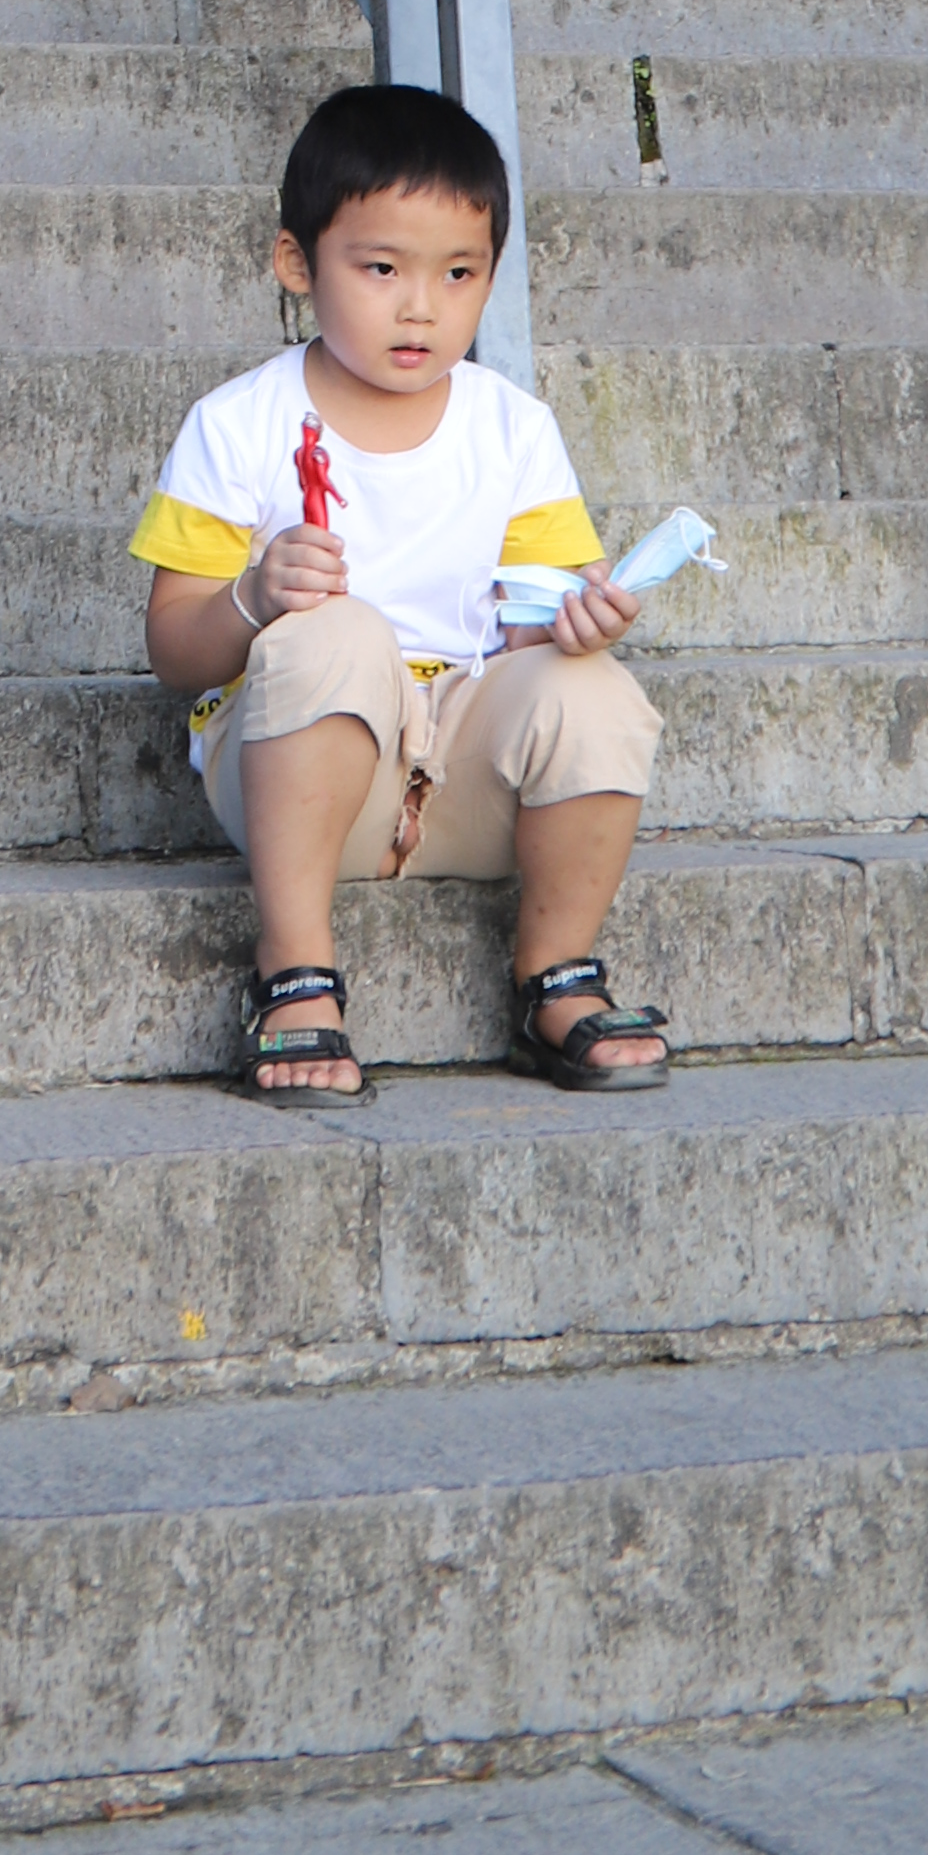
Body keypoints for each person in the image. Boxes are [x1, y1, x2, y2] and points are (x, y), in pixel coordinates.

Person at [132, 78, 666, 1107]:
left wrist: (576, 624)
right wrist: (250, 599)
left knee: (591, 689)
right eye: (379, 268)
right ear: (297, 264)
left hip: (463, 780)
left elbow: (525, 630)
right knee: (334, 629)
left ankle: (554, 973)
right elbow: (170, 652)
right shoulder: (236, 425)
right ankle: (292, 976)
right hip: (306, 785)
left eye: (458, 274)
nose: (420, 306)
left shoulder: (510, 429)